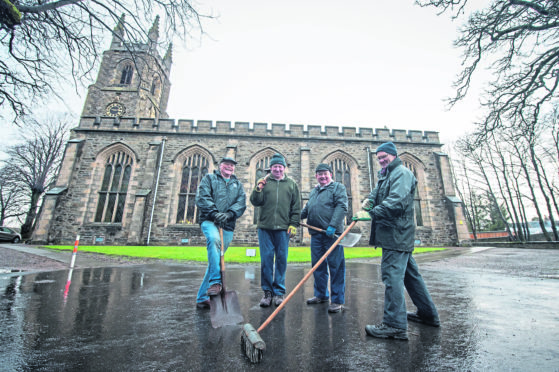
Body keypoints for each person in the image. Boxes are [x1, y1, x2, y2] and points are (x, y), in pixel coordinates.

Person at [362, 142, 440, 340]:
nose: (381, 160)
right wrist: (368, 202)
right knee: (410, 276)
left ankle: (394, 325)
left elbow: (396, 201)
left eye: (384, 156)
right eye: (378, 158)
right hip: (394, 234)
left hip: (397, 234)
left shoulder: (402, 173)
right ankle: (428, 315)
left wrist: (371, 213)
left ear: (394, 155)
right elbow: (377, 194)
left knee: (391, 277)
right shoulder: (386, 174)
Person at [195, 156, 246, 309]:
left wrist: (229, 214)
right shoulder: (209, 179)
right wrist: (215, 213)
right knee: (214, 240)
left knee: (216, 260)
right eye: (226, 165)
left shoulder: (238, 184)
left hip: (228, 225)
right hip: (209, 220)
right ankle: (216, 282)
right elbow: (203, 197)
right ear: (220, 166)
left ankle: (202, 297)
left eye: (232, 165)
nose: (229, 167)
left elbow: (241, 203)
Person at [250, 153, 301, 307]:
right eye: (274, 167)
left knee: (281, 260)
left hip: (283, 230)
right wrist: (258, 189)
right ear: (271, 168)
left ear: (284, 168)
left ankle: (279, 292)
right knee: (266, 260)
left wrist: (293, 224)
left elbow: (296, 207)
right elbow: (255, 202)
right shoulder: (264, 182)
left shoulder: (292, 184)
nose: (277, 169)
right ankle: (267, 293)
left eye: (280, 166)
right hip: (265, 228)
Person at [300, 163, 348, 313]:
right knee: (317, 266)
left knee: (336, 267)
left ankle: (337, 300)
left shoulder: (338, 188)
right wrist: (295, 218)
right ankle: (321, 295)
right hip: (316, 234)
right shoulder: (314, 191)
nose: (322, 176)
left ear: (330, 174)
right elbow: (308, 209)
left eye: (325, 173)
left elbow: (342, 207)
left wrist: (333, 225)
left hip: (332, 234)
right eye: (319, 174)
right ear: (316, 176)